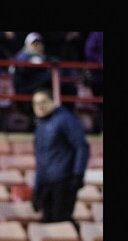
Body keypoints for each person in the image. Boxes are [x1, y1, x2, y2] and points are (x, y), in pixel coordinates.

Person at [30, 88, 90, 228]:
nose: (39, 106)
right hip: (47, 182)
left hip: (63, 179)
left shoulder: (65, 119)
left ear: (53, 102)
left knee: (61, 220)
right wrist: (37, 189)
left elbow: (81, 147)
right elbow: (40, 161)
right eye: (35, 103)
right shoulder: (40, 127)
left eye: (43, 102)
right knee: (47, 222)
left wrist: (78, 174)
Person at [11, 32, 52, 97]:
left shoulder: (46, 57)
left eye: (38, 44)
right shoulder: (20, 57)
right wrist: (34, 64)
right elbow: (21, 74)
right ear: (27, 45)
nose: (36, 46)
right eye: (34, 44)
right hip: (26, 86)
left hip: (41, 85)